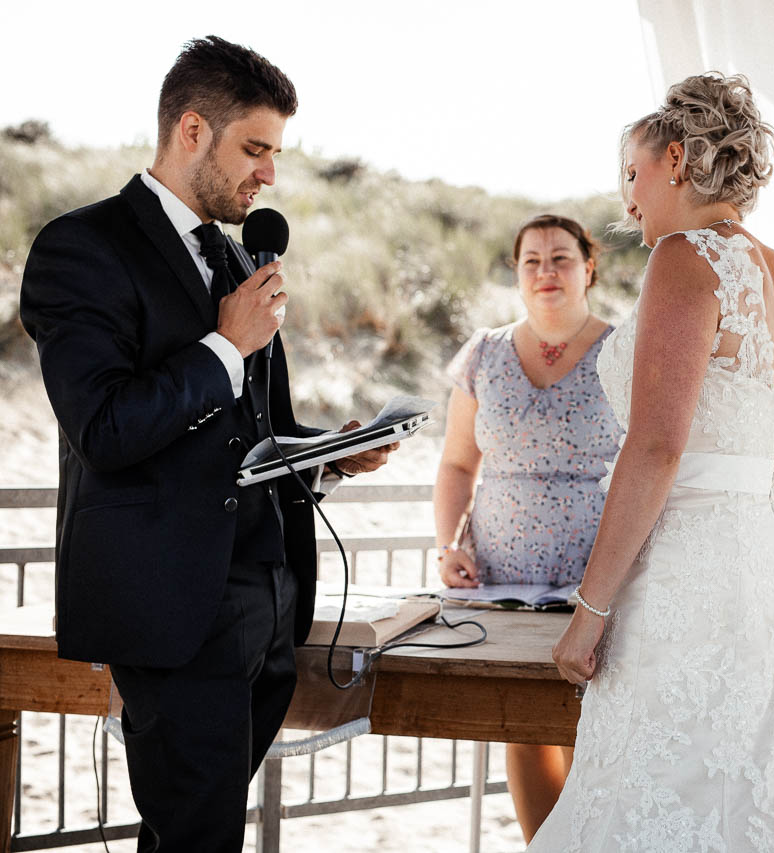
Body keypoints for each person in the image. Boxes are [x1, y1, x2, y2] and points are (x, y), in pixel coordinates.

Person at [19, 36, 395, 852]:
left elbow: (251, 429)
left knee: (197, 833)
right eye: (254, 149)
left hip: (267, 600)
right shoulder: (80, 248)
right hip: (172, 606)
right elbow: (105, 428)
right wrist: (225, 347)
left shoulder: (235, 254)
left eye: (276, 153)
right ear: (191, 130)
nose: (269, 174)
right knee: (197, 837)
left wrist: (327, 451)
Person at [527, 73, 774, 850]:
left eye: (632, 174)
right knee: (736, 793)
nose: (627, 199)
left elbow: (658, 445)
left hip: (688, 579)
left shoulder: (684, 256)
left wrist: (590, 610)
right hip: (765, 574)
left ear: (676, 159)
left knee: (653, 798)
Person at [434, 213, 622, 841]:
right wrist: (447, 545)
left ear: (588, 267)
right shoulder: (485, 353)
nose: (546, 271)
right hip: (502, 575)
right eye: (532, 260)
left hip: (595, 574)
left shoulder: (624, 350)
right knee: (522, 718)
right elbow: (458, 463)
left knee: (589, 718)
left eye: (561, 257)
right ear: (517, 273)